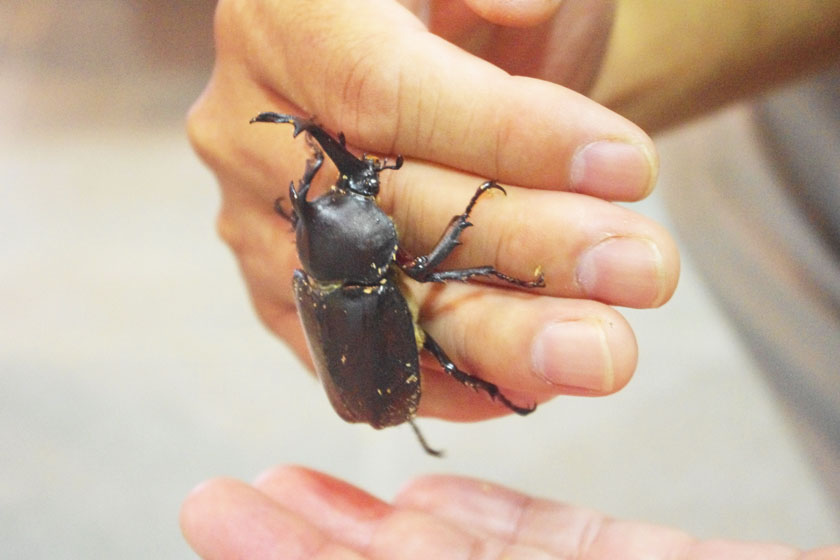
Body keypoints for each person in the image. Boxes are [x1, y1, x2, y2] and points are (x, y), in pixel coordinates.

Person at [183, 0, 840, 557]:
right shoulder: (373, 275)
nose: (359, 185)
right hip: (788, 138)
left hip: (366, 370)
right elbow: (440, 262)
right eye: (349, 196)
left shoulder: (325, 276)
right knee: (441, 308)